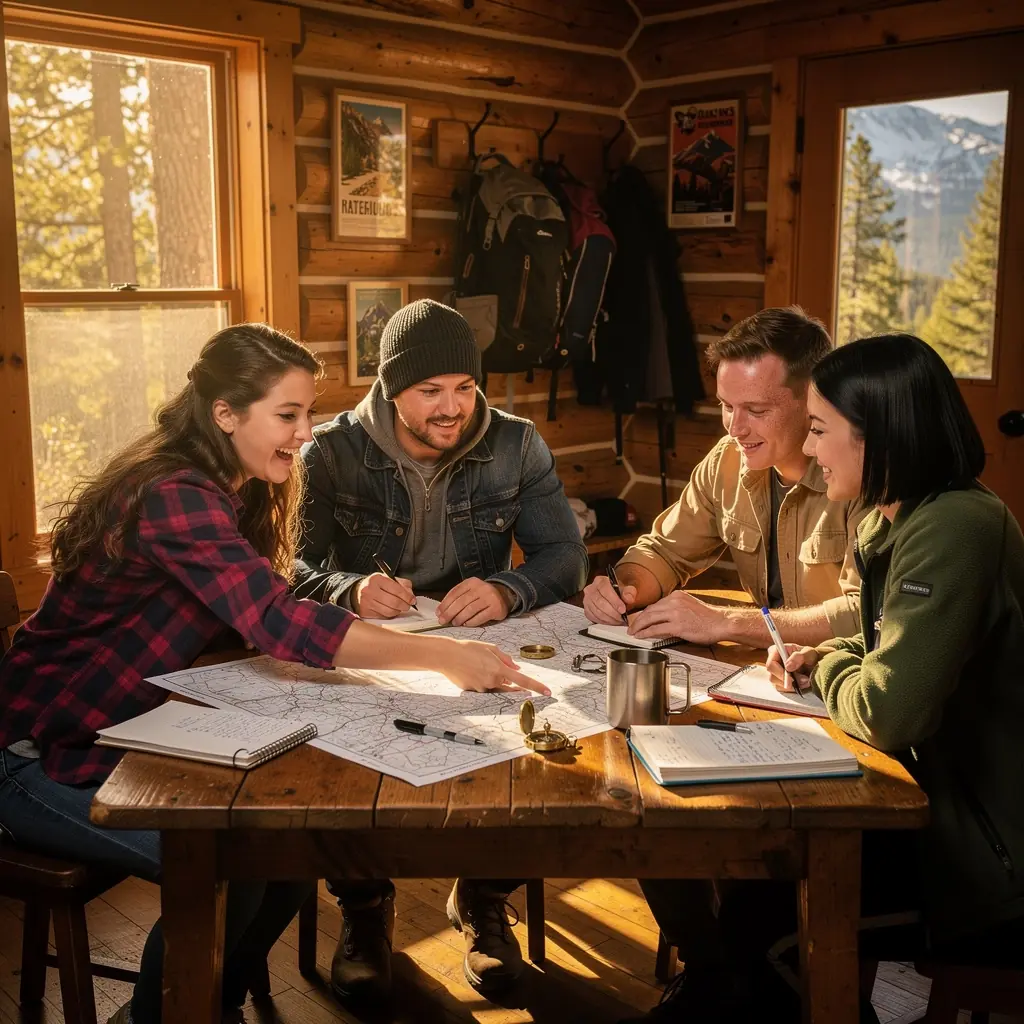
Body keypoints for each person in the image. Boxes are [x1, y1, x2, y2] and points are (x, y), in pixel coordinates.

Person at [0, 324, 549, 1024]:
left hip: (119, 730)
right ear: (225, 413)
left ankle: (208, 1006)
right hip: (30, 755)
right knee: (233, 864)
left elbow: (255, 612)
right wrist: (445, 656)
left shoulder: (237, 485)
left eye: (308, 413)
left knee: (286, 855)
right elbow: (277, 622)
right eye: (287, 415)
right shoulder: (172, 492)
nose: (305, 432)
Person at [627, 334, 1024, 1023]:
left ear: (880, 437)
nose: (810, 450)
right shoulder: (897, 520)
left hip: (979, 855)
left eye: (819, 430)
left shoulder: (955, 526)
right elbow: (886, 649)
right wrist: (831, 656)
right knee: (746, 884)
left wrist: (832, 661)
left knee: (765, 923)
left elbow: (888, 711)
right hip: (925, 799)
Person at [293, 298, 588, 1002]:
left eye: (465, 387)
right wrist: (348, 588)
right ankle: (365, 909)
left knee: (546, 742)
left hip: (482, 642)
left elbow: (565, 554)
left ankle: (484, 897)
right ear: (392, 388)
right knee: (339, 753)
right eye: (430, 391)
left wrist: (509, 589)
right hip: (371, 650)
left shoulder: (517, 442)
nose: (452, 408)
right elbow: (290, 567)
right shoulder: (329, 451)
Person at [584, 305, 864, 649]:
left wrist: (726, 622)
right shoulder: (727, 460)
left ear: (813, 398)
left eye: (756, 410)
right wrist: (624, 589)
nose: (735, 429)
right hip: (766, 667)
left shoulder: (860, 474)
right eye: (727, 406)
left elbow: (864, 615)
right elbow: (665, 552)